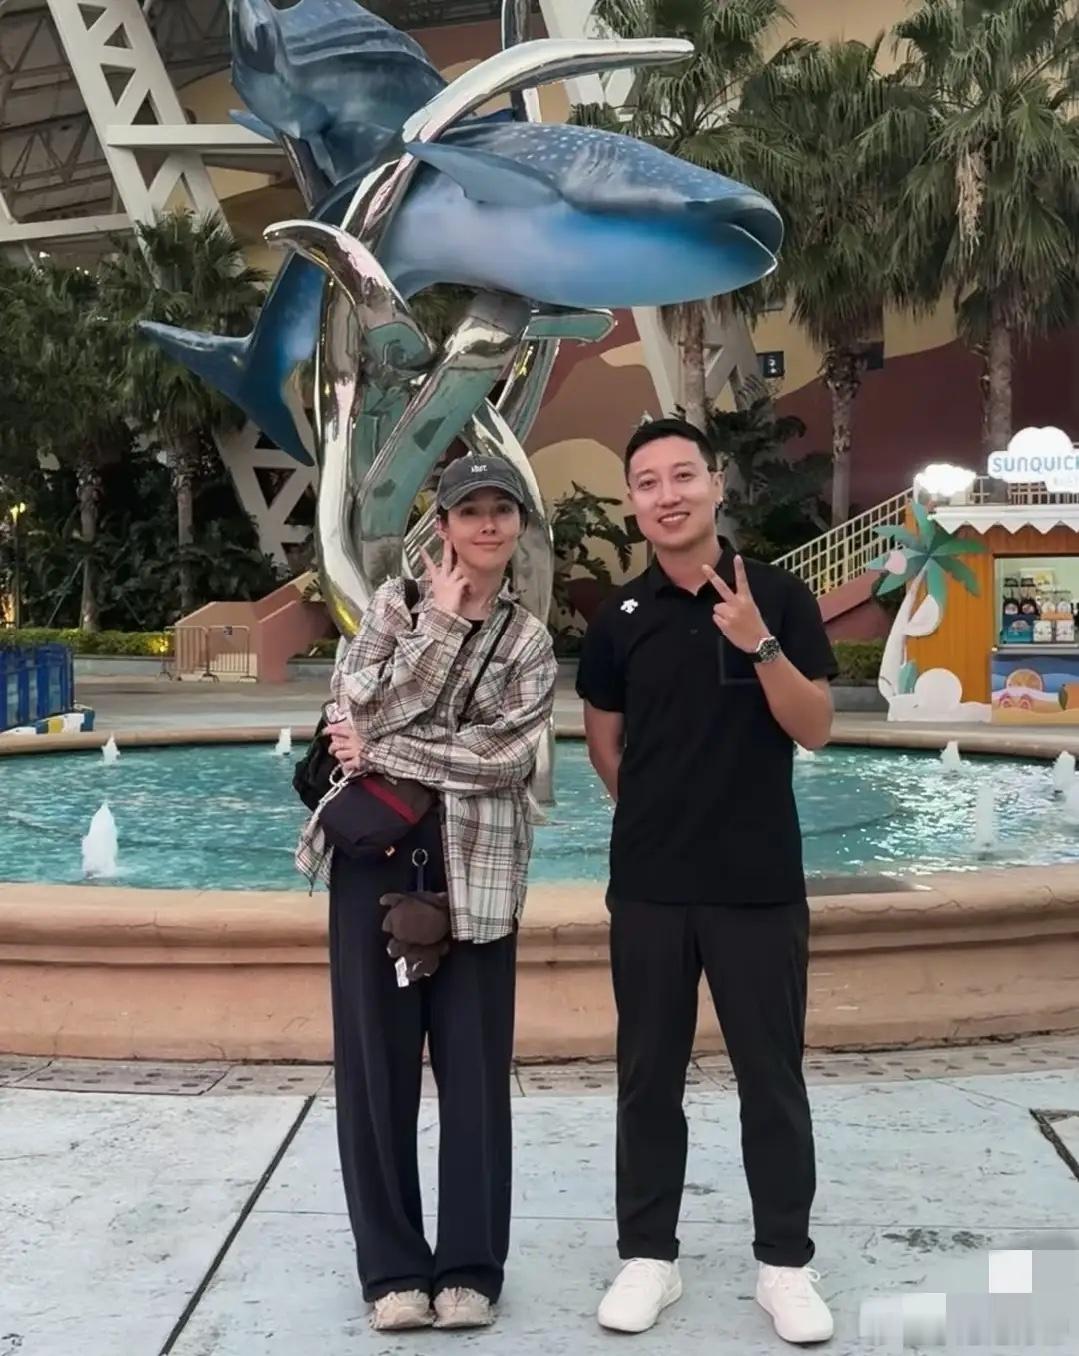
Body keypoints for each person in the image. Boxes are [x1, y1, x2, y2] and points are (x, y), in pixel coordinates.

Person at [576, 417, 838, 1346]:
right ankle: (648, 1255)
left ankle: (785, 1265)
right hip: (650, 887)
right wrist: (661, 815)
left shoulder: (780, 596)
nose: (667, 495)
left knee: (772, 1080)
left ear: (715, 485)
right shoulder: (619, 619)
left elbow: (815, 728)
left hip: (757, 885)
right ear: (633, 502)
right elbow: (605, 745)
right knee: (647, 1078)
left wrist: (759, 643)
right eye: (647, 482)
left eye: (682, 475)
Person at [297, 456, 557, 1334]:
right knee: (375, 1073)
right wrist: (440, 626)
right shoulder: (393, 607)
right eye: (468, 510)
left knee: (475, 1074)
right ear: (440, 525)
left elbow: (503, 759)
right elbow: (352, 709)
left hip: (476, 871)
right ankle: (393, 1271)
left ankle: (471, 1269)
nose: (485, 524)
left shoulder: (528, 642)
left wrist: (386, 749)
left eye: (500, 510)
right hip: (375, 861)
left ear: (517, 525)